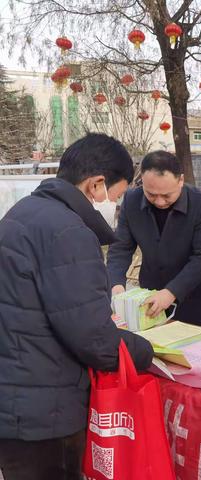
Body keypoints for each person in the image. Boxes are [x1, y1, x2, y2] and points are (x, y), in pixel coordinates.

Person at [0, 133, 154, 480]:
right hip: (46, 414)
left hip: (16, 399)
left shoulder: (24, 211)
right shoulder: (68, 231)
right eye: (115, 196)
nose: (115, 206)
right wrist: (146, 350)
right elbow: (92, 338)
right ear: (96, 185)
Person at [107, 151, 201, 326]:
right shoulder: (131, 201)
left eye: (167, 195)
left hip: (195, 300)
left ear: (181, 180)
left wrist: (171, 292)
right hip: (150, 300)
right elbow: (120, 248)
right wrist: (116, 283)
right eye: (151, 194)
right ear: (142, 182)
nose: (160, 202)